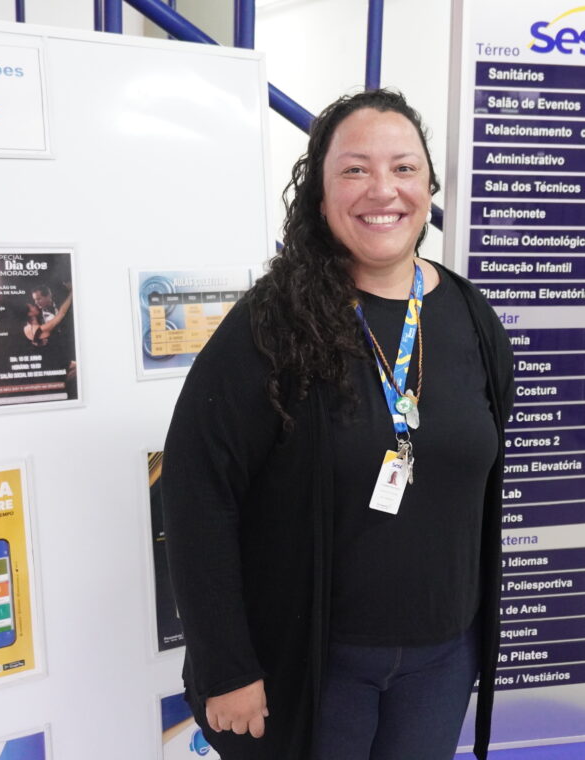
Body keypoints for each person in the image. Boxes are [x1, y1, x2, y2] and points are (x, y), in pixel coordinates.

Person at [162, 89, 512, 760]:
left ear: (429, 185)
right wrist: (227, 665)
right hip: (317, 663)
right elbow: (197, 494)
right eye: (355, 169)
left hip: (442, 659)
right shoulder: (273, 323)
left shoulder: (471, 316)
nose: (383, 189)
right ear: (319, 197)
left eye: (404, 168)